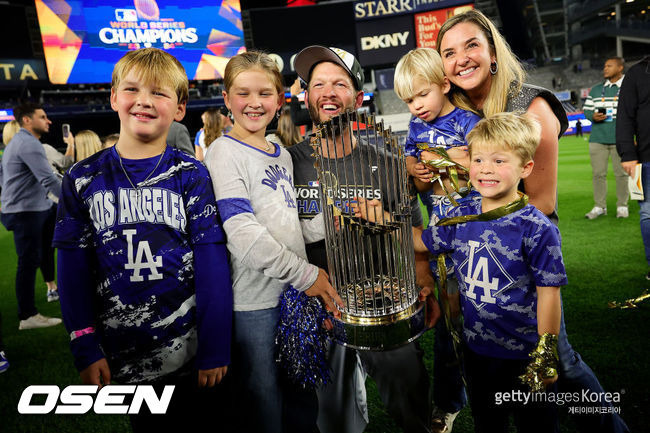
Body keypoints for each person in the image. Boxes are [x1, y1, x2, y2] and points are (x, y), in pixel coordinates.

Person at [436, 10, 629, 432]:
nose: (461, 58)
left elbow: (538, 202)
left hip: (524, 259)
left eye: (471, 45)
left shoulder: (530, 103)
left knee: (560, 361)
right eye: (448, 52)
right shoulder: (461, 110)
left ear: (492, 52)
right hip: (480, 256)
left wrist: (464, 219)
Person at [53, 48, 232, 432]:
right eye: (132, 89)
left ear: (180, 108)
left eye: (160, 93)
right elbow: (71, 267)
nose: (145, 101)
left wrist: (216, 344)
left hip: (190, 346)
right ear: (114, 97)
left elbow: (213, 263)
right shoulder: (82, 179)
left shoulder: (192, 174)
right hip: (124, 351)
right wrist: (84, 342)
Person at [356, 112, 565, 432]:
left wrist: (546, 351)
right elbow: (423, 243)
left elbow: (549, 293)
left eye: (499, 160)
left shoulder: (536, 227)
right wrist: (382, 217)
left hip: (524, 355)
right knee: (488, 423)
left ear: (526, 168)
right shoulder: (461, 214)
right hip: (478, 352)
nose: (486, 168)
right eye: (478, 158)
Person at [290, 45, 435, 433]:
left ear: (358, 97)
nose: (328, 92)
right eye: (318, 84)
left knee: (411, 403)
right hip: (320, 310)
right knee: (333, 420)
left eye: (340, 83)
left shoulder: (388, 162)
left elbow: (414, 231)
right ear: (306, 97)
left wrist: (424, 280)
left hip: (383, 303)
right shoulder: (286, 163)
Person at [204, 50, 342, 433]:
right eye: (243, 93)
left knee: (301, 392)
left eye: (264, 93)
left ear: (280, 100)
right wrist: (304, 273)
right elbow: (242, 233)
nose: (254, 103)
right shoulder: (223, 152)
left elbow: (291, 222)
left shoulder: (280, 153)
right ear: (227, 98)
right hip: (255, 303)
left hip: (294, 295)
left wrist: (336, 224)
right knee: (263, 398)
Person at [394, 46, 481, 433]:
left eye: (422, 95)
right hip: (441, 243)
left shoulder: (469, 121)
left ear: (444, 84)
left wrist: (463, 163)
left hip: (479, 239)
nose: (416, 106)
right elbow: (414, 181)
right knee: (448, 329)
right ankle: (448, 403)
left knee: (486, 324)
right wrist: (415, 171)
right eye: (408, 100)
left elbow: (487, 174)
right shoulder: (414, 129)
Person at [0, 103, 62, 330]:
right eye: (43, 117)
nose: (49, 121)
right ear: (27, 120)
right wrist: (72, 203)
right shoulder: (28, 144)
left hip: (28, 208)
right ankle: (27, 315)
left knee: (34, 258)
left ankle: (33, 308)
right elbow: (49, 180)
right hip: (26, 212)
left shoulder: (17, 142)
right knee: (27, 263)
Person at [617, 55, 650, 278]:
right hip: (644, 158)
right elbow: (625, 116)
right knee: (647, 214)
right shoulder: (637, 73)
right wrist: (628, 154)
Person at [583, 57, 628, 219]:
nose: (605, 69)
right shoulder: (596, 90)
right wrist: (592, 116)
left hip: (622, 138)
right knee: (598, 175)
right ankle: (599, 206)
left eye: (609, 66)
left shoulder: (629, 88)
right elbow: (587, 110)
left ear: (620, 68)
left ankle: (622, 206)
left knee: (622, 174)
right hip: (598, 138)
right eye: (604, 66)